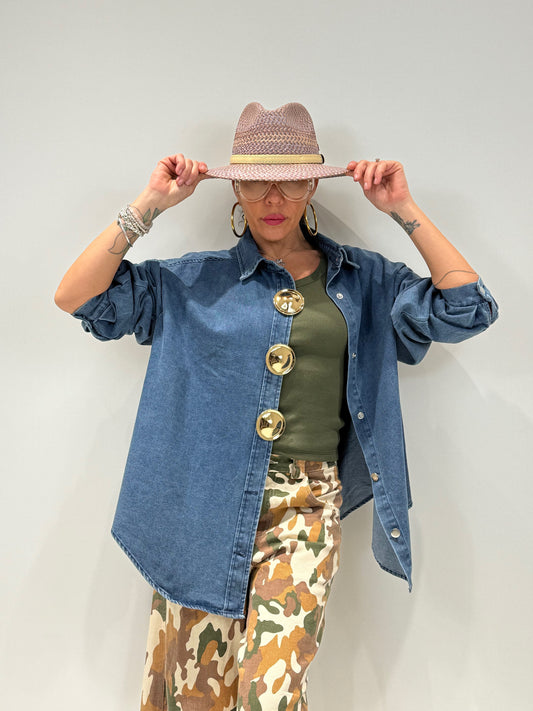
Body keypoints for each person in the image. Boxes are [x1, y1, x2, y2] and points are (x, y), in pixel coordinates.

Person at [55, 102, 498, 711]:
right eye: (256, 181)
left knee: (274, 695)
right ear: (234, 188)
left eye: (290, 181)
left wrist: (403, 209)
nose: (273, 197)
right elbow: (76, 296)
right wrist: (150, 203)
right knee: (195, 697)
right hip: (202, 507)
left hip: (307, 509)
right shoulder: (191, 282)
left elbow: (467, 309)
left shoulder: (363, 281)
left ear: (312, 185)